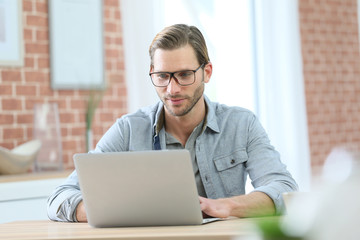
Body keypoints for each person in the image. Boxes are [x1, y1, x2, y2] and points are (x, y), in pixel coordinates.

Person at [47, 24, 298, 222]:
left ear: (206, 72)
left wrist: (225, 205)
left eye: (185, 75)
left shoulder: (242, 124)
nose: (172, 89)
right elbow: (60, 198)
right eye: (162, 76)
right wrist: (111, 212)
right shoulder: (128, 129)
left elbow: (284, 190)